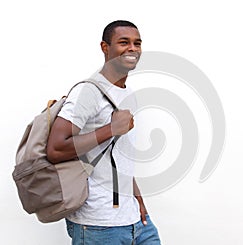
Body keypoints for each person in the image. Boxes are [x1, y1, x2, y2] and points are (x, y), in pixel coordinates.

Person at [47, 20, 161, 244]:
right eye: (123, 42)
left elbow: (119, 156)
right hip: (98, 224)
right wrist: (111, 129)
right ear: (105, 47)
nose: (133, 48)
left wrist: (138, 199)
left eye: (137, 43)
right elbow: (55, 148)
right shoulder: (88, 91)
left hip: (135, 220)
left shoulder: (127, 94)